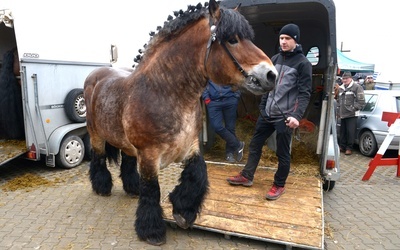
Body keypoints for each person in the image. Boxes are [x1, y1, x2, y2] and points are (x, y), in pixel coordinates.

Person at [226, 23, 312, 200]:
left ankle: (279, 185)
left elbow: (304, 94)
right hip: (267, 113)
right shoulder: (274, 58)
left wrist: (296, 116)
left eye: (287, 38)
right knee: (255, 144)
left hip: (285, 117)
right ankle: (247, 176)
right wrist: (263, 108)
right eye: (281, 38)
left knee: (282, 153)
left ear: (295, 40)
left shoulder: (303, 64)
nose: (283, 42)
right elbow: (268, 86)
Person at [202, 80, 245, 163]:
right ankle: (238, 145)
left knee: (230, 128)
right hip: (214, 102)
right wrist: (207, 99)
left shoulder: (229, 67)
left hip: (230, 100)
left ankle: (230, 154)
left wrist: (236, 96)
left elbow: (237, 79)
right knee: (216, 126)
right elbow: (203, 82)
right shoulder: (208, 68)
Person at [337, 71, 365, 155]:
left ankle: (349, 148)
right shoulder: (341, 88)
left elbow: (361, 101)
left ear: (350, 78)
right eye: (343, 78)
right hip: (342, 114)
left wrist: (353, 108)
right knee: (342, 131)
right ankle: (342, 146)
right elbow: (339, 100)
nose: (344, 80)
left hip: (352, 114)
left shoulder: (357, 87)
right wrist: (338, 110)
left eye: (346, 78)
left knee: (350, 132)